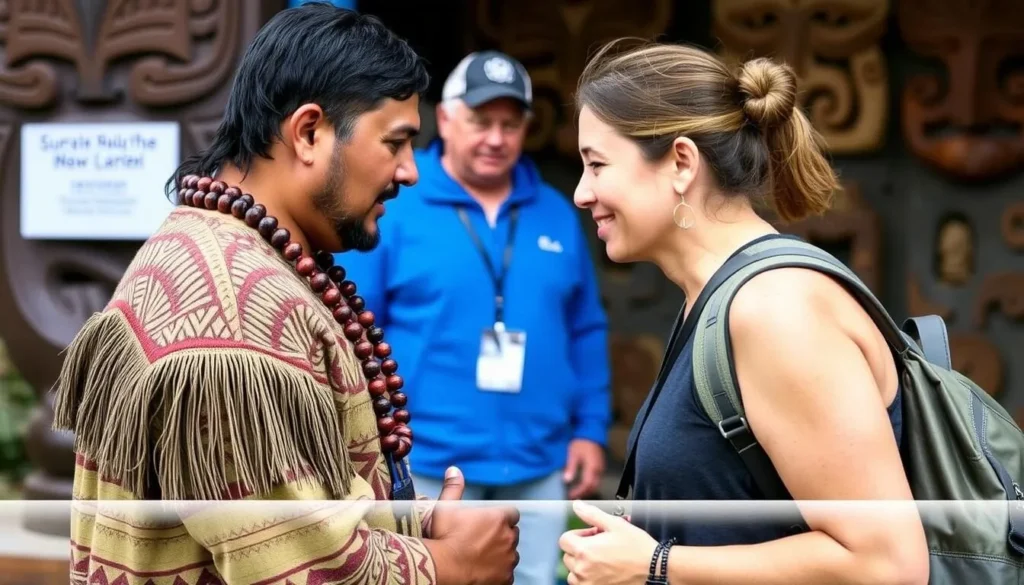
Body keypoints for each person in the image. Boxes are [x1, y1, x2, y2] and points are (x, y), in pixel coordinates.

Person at [50, 5, 519, 585]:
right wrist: (455, 566)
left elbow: (274, 513)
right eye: (395, 142)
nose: (409, 172)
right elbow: (303, 568)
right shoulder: (229, 321)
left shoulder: (224, 253)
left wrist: (416, 523)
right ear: (308, 132)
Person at [557, 40, 930, 585]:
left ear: (682, 162)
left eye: (597, 165)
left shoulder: (776, 310)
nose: (581, 193)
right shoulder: (718, 298)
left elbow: (886, 564)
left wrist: (655, 565)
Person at [337, 50, 611, 585]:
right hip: (429, 460)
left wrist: (591, 430)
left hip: (540, 458)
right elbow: (353, 331)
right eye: (481, 121)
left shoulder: (559, 209)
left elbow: (585, 329)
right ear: (444, 119)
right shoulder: (394, 204)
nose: (496, 138)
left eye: (511, 124)